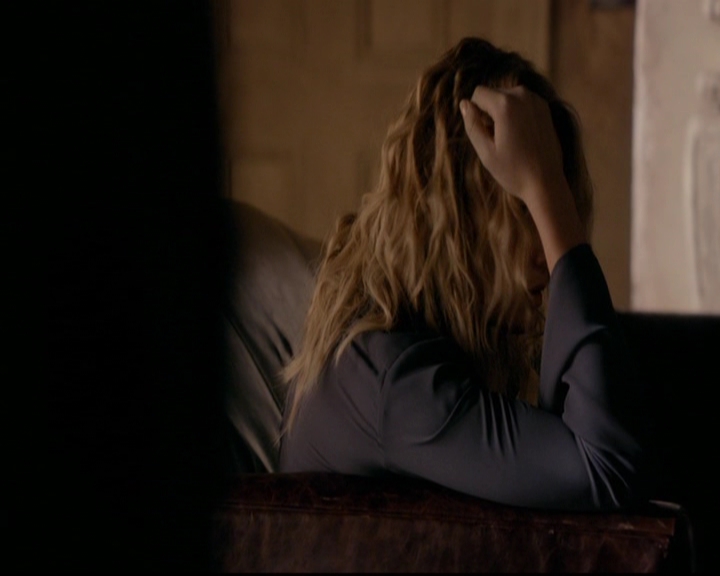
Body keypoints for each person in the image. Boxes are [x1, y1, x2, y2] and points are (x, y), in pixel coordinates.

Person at [278, 37, 649, 511]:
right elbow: (605, 467)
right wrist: (551, 196)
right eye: (526, 208)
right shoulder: (390, 378)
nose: (547, 253)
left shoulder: (389, 338)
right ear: (461, 219)